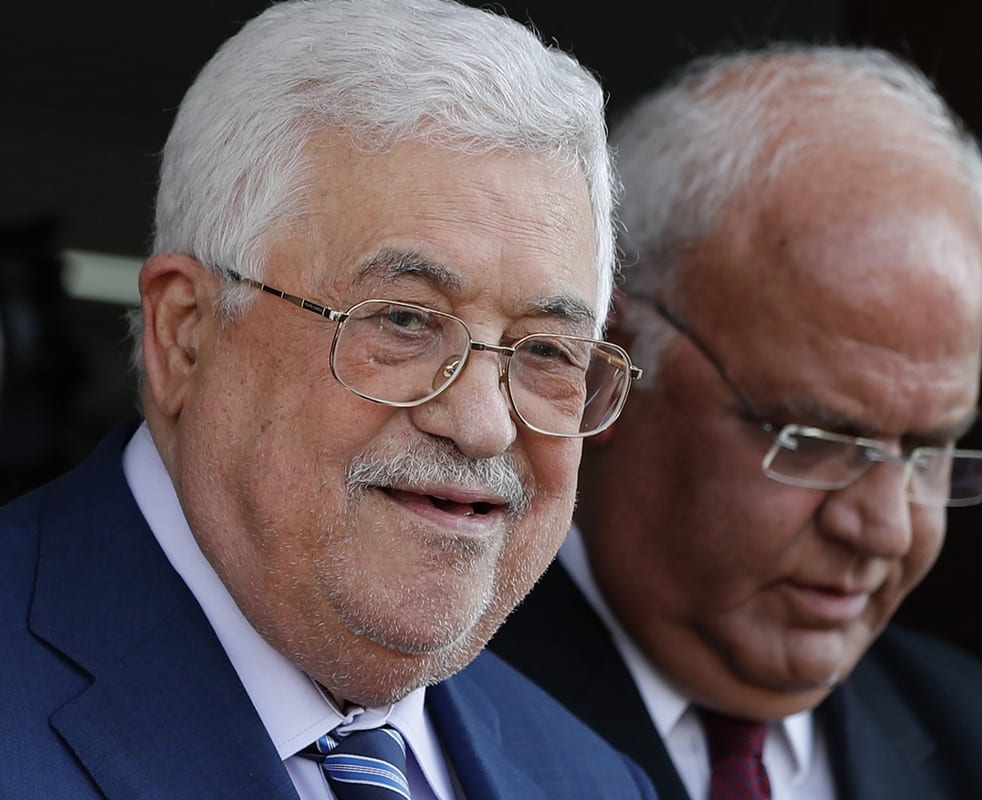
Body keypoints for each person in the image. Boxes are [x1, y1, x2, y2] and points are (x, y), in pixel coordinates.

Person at [0, 1, 655, 798]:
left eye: (546, 351)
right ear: (185, 334)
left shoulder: (593, 781)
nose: (484, 424)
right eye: (406, 320)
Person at [489, 44, 982, 799]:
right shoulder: (410, 726)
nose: (887, 530)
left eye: (930, 450)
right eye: (821, 440)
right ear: (608, 371)